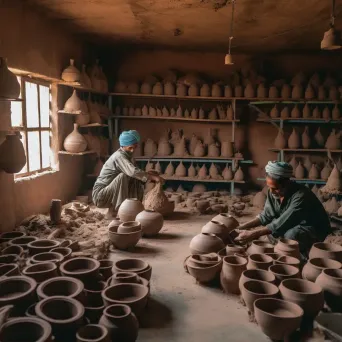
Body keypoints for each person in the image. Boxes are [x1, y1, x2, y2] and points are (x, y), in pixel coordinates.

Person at [235, 161, 331, 260]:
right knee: (269, 233)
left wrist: (253, 233)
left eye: (275, 188)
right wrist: (242, 226)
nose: (271, 191)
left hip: (313, 227)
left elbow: (282, 223)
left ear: (286, 184)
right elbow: (266, 216)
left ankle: (301, 256)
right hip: (293, 223)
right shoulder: (273, 192)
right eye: (269, 187)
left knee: (290, 235)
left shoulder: (301, 195)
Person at [92, 130, 164, 218]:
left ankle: (133, 207)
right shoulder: (119, 156)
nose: (133, 150)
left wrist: (148, 174)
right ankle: (119, 211)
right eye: (130, 148)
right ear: (123, 146)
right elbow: (133, 172)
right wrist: (151, 177)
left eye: (135, 147)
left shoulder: (128, 156)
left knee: (136, 179)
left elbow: (136, 174)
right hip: (100, 195)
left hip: (110, 191)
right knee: (124, 176)